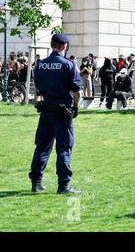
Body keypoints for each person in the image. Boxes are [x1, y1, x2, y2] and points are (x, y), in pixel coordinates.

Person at [30, 33, 82, 195]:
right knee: (64, 148)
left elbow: (37, 90)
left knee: (42, 146)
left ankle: (36, 183)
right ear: (64, 46)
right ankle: (64, 185)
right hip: (62, 111)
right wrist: (75, 108)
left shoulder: (41, 64)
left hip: (46, 110)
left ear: (52, 44)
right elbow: (77, 92)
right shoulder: (68, 64)